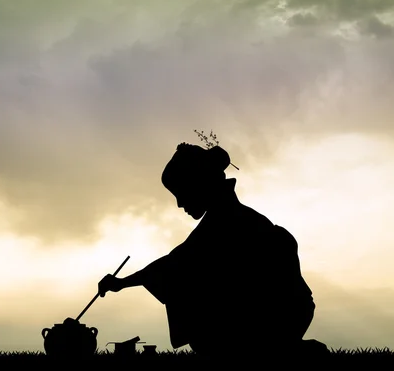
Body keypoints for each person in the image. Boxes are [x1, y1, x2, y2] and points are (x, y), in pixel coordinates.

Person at [98, 142, 322, 360]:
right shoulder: (228, 218)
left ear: (199, 184)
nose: (178, 204)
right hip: (287, 312)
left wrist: (121, 283)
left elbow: (173, 265)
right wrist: (122, 283)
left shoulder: (227, 222)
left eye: (181, 192)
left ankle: (287, 349)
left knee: (189, 288)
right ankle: (284, 348)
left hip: (276, 314)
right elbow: (175, 262)